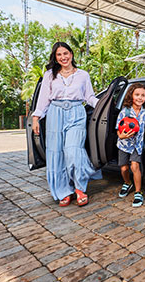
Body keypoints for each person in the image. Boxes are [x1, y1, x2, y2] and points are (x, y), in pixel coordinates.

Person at [32, 42, 101, 207]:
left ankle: (79, 187)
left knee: (73, 151)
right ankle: (64, 191)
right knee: (57, 155)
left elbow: (89, 97)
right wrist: (36, 117)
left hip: (77, 113)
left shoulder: (83, 75)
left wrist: (105, 105)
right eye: (59, 55)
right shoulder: (50, 75)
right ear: (55, 58)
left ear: (71, 54)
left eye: (65, 53)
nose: (63, 57)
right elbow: (43, 99)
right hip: (55, 114)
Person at [116, 83, 145, 208]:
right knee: (124, 168)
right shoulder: (125, 112)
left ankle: (138, 192)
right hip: (124, 144)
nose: (140, 98)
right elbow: (118, 128)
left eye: (143, 95)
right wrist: (121, 135)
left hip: (137, 145)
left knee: (135, 166)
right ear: (131, 96)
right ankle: (127, 183)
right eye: (137, 95)